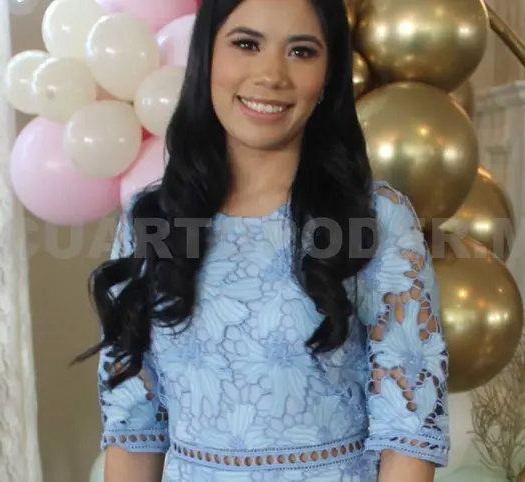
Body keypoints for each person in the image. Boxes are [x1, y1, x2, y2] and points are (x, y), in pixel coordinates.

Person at [77, 0, 450, 480]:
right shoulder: (152, 220)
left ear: (328, 76)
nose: (272, 75)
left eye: (301, 51)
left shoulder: (375, 218)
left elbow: (408, 430)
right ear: (207, 57)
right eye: (247, 44)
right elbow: (133, 429)